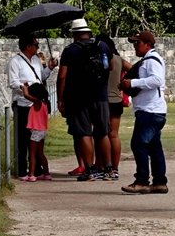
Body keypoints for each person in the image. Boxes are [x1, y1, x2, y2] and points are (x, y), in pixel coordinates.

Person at [57, 19, 112, 180]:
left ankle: (89, 170)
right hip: (101, 96)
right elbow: (112, 66)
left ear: (74, 34)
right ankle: (108, 170)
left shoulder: (70, 50)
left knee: (84, 133)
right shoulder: (102, 46)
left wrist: (61, 99)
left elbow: (62, 77)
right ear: (88, 31)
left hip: (79, 98)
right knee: (103, 132)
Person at [120, 29, 168, 193]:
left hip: (150, 110)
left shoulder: (151, 61)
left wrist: (133, 83)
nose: (135, 46)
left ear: (148, 45)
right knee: (154, 146)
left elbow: (157, 80)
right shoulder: (151, 60)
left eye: (137, 43)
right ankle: (159, 181)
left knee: (138, 144)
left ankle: (142, 180)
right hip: (154, 110)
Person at [7, 34, 46, 178]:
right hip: (23, 103)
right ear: (28, 46)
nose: (38, 47)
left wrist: (50, 69)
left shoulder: (36, 60)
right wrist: (26, 87)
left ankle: (37, 169)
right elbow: (12, 82)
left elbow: (40, 77)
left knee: (37, 138)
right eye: (36, 44)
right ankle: (22, 169)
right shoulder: (15, 62)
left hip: (35, 103)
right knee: (23, 138)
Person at [102, 34, 125, 180]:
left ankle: (106, 166)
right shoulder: (119, 59)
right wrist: (123, 84)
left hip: (103, 100)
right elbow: (134, 68)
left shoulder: (102, 60)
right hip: (116, 99)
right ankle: (115, 168)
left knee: (102, 134)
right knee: (114, 135)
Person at [24, 82, 51, 179]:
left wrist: (24, 87)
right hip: (43, 131)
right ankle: (47, 173)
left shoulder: (37, 102)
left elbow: (26, 95)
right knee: (40, 153)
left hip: (36, 131)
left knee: (32, 154)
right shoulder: (44, 103)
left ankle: (31, 174)